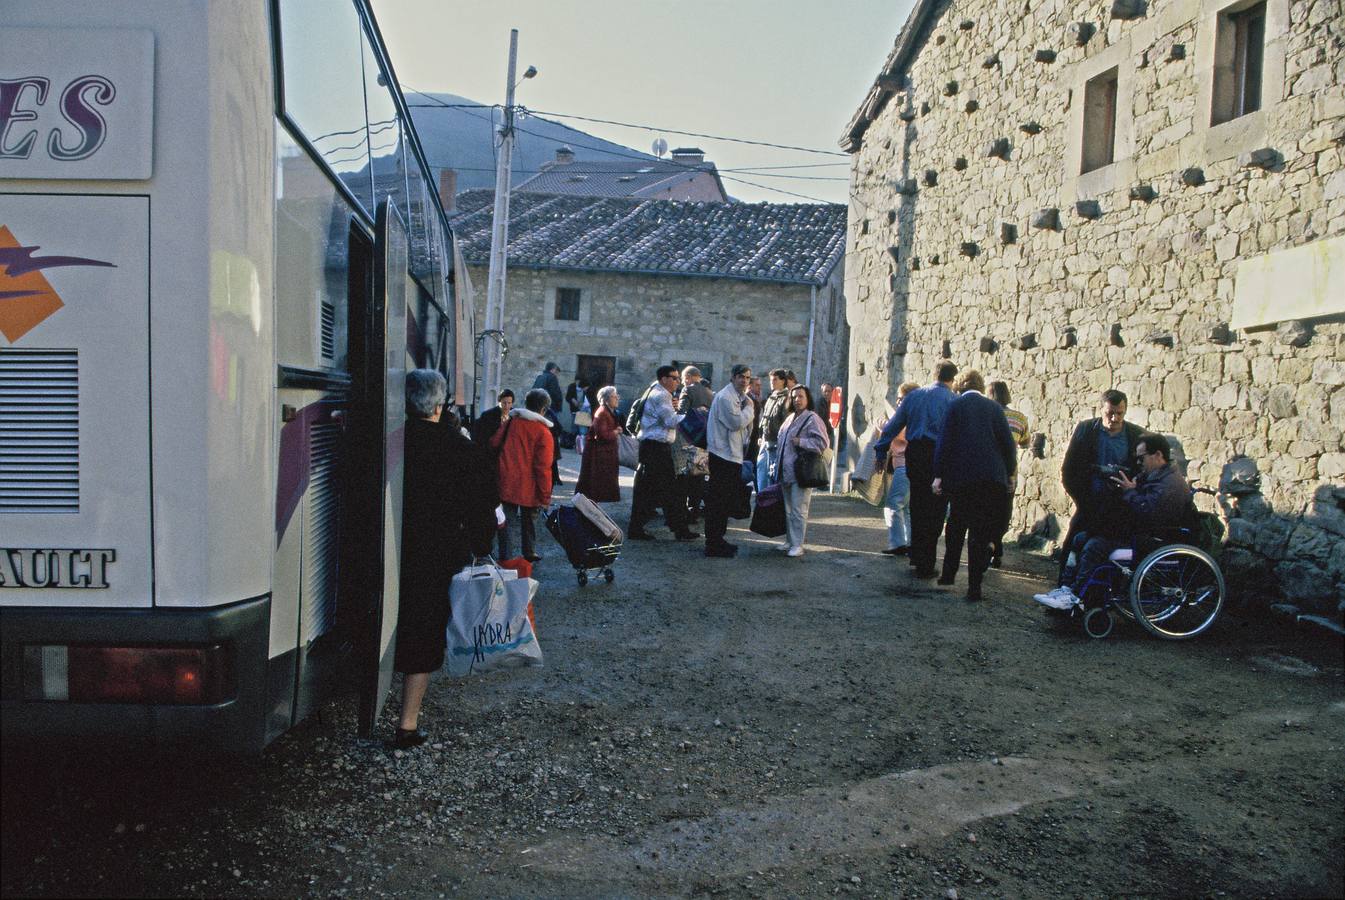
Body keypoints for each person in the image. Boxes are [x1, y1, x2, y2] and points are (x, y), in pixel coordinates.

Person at [394, 370, 498, 749]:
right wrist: (481, 544)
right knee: (423, 631)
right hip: (434, 554)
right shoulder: (460, 448)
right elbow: (482, 507)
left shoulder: (389, 441)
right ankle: (407, 723)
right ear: (439, 405)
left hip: (387, 548)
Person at [1036, 432, 1190, 610]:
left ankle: (1077, 595)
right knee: (1081, 538)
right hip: (1141, 533)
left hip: (1154, 540)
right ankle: (1067, 588)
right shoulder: (1155, 477)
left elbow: (1149, 513)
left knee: (1095, 545)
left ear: (1158, 455)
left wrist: (1130, 491)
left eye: (1141, 459)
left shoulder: (1171, 484)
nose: (1139, 464)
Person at [931, 370, 1017, 602]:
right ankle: (974, 587)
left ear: (959, 387)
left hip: (961, 479)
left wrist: (938, 475)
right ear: (981, 386)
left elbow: (944, 442)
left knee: (956, 526)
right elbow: (1008, 445)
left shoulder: (955, 406)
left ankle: (948, 574)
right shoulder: (995, 409)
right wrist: (1009, 474)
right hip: (990, 479)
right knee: (980, 532)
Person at [875, 361, 959, 579]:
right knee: (937, 509)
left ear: (934, 374)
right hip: (940, 456)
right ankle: (926, 560)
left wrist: (880, 451)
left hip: (916, 455)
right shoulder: (953, 400)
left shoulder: (914, 397)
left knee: (918, 505)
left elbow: (892, 426)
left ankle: (917, 555)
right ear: (952, 379)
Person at [1057, 389, 1145, 584]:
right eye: (1109, 413)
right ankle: (1064, 588)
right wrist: (1082, 499)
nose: (1114, 418)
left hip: (1119, 507)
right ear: (1101, 410)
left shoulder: (1136, 435)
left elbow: (1143, 471)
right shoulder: (1086, 430)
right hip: (1089, 503)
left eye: (1119, 414)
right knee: (1074, 543)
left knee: (1105, 550)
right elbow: (1069, 470)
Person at [628, 365, 698, 541]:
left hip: (652, 448)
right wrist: (691, 414)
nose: (678, 381)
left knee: (653, 490)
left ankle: (674, 528)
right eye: (674, 378)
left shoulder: (655, 390)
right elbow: (671, 421)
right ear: (664, 379)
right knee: (668, 491)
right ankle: (678, 529)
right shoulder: (661, 395)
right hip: (656, 449)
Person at [493, 388, 555, 562]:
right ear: (543, 410)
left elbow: (494, 442)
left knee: (508, 523)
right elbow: (543, 468)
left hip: (507, 480)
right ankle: (529, 551)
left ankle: (507, 558)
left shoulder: (511, 422)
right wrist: (545, 496)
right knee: (530, 520)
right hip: (531, 486)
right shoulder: (544, 432)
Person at [703, 364, 755, 558]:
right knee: (718, 501)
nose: (744, 381)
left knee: (723, 501)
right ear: (733, 377)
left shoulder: (738, 397)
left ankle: (719, 539)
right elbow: (736, 423)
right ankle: (713, 543)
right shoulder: (726, 397)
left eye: (747, 377)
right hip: (723, 455)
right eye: (741, 377)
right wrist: (750, 410)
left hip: (730, 454)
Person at [777, 385, 831, 557]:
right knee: (787, 508)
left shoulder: (812, 418)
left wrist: (802, 442)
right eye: (794, 397)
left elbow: (822, 443)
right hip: (785, 470)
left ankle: (798, 544)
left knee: (799, 509)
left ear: (808, 399)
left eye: (801, 396)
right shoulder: (790, 417)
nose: (797, 400)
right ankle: (790, 540)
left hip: (802, 471)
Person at [988, 380, 1030, 567]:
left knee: (987, 510)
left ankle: (991, 544)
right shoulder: (1019, 418)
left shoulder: (986, 415)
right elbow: (1025, 442)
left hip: (987, 469)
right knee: (1004, 511)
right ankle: (997, 545)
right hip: (1009, 470)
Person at [879, 381, 919, 554]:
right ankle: (910, 542)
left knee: (893, 504)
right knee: (907, 507)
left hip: (904, 464)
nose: (898, 402)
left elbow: (896, 432)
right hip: (906, 465)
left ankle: (897, 543)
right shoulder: (916, 415)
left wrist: (883, 425)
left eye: (901, 398)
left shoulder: (907, 417)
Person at [576, 385, 621, 503]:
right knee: (594, 486)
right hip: (598, 454)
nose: (617, 398)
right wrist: (616, 431)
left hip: (603, 453)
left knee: (596, 486)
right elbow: (603, 435)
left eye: (617, 396)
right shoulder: (602, 413)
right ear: (606, 399)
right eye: (614, 396)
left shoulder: (607, 411)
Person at [754, 368, 794, 492]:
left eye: (775, 380)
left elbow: (786, 422)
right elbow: (764, 417)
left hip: (776, 442)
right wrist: (760, 435)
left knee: (772, 473)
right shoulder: (772, 396)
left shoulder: (787, 398)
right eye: (771, 380)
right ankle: (762, 497)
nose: (772, 382)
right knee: (761, 470)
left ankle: (770, 500)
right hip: (765, 440)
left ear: (783, 381)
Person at [566, 376, 597, 454]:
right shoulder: (591, 390)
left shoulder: (589, 391)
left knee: (582, 430)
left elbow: (589, 404)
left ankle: (582, 446)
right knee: (582, 430)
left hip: (588, 413)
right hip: (588, 413)